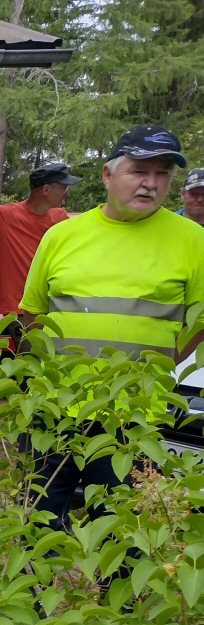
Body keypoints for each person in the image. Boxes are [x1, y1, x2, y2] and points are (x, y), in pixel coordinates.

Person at [20, 125, 204, 528]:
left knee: (120, 533)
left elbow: (198, 323)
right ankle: (34, 592)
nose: (150, 184)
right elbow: (32, 314)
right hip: (56, 408)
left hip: (134, 418)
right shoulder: (62, 235)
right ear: (108, 174)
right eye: (139, 171)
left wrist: (153, 369)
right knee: (37, 523)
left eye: (161, 175)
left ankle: (109, 592)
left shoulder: (194, 241)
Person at [0, 162, 80, 315]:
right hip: (17, 312)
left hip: (51, 309)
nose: (67, 193)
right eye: (64, 187)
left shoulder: (60, 218)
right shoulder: (4, 216)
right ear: (46, 189)